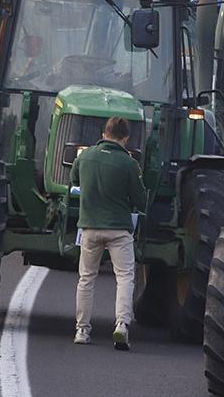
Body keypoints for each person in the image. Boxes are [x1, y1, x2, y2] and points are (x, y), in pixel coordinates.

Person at [73, 117, 147, 350]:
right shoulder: (129, 164)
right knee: (125, 277)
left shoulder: (84, 157)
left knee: (86, 278)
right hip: (118, 230)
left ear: (104, 133)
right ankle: (121, 326)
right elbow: (140, 201)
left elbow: (75, 181)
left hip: (90, 227)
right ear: (125, 138)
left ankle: (82, 330)